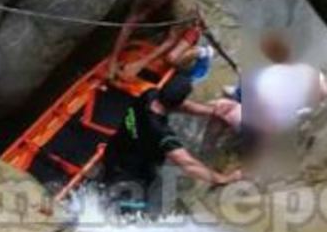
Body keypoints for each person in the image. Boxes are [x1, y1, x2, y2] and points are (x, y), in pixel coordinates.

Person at [103, 74, 241, 209]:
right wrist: (223, 179)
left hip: (114, 151)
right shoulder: (162, 134)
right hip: (130, 173)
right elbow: (188, 164)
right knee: (135, 212)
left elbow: (183, 106)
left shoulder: (150, 95)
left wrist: (213, 111)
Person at [107, 0, 207, 83]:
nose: (151, 4)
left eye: (154, 2)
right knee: (139, 31)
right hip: (165, 14)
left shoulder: (181, 7)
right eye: (149, 1)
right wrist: (113, 59)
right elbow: (128, 25)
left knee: (171, 58)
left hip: (190, 23)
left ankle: (202, 52)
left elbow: (170, 40)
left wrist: (140, 64)